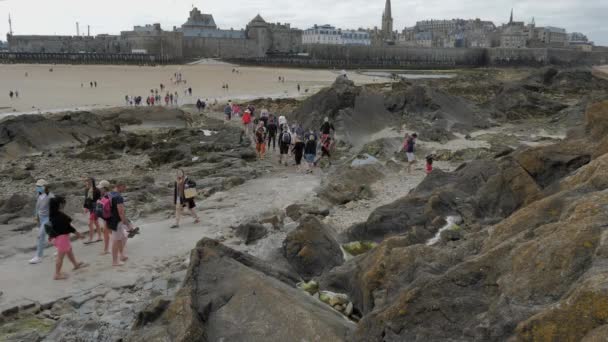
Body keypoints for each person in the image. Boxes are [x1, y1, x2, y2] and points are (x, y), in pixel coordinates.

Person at [46, 196, 86, 280]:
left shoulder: (52, 214)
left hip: (57, 237)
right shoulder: (61, 216)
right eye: (63, 204)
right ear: (59, 205)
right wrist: (79, 235)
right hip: (62, 238)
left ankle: (75, 264)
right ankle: (57, 274)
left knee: (69, 250)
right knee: (60, 257)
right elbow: (69, 227)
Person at [30, 180, 54, 264]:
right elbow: (37, 207)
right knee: (52, 235)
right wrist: (36, 216)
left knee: (40, 236)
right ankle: (62, 248)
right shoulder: (38, 195)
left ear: (44, 187)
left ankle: (39, 256)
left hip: (47, 219)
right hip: (41, 219)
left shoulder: (50, 196)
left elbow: (54, 208)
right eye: (37, 186)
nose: (37, 188)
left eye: (39, 186)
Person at [83, 178, 102, 244]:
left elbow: (100, 198)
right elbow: (86, 199)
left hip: (96, 207)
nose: (87, 183)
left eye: (89, 182)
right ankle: (99, 237)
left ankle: (90, 239)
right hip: (91, 207)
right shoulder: (86, 190)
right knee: (96, 222)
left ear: (92, 182)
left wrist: (98, 203)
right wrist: (85, 207)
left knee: (90, 223)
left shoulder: (97, 190)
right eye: (87, 182)